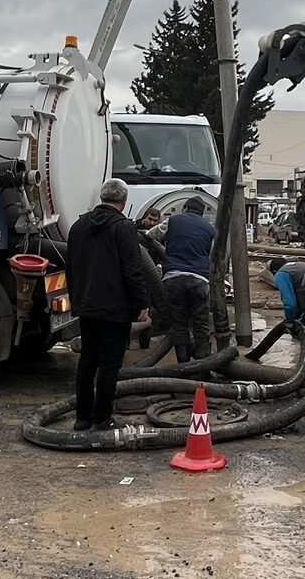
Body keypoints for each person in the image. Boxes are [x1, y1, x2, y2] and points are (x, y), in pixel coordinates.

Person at [64, 179, 157, 431]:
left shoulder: (78, 226)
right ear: (123, 201)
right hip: (115, 308)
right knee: (109, 364)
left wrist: (76, 300)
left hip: (87, 306)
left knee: (87, 361)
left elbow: (70, 267)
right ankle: (102, 418)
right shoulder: (123, 228)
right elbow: (132, 269)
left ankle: (82, 418)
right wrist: (142, 302)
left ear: (101, 198)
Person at [155, 200, 217, 361]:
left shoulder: (173, 221)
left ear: (184, 209)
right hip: (199, 281)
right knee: (201, 326)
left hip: (173, 279)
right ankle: (203, 366)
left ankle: (183, 367)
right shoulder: (210, 228)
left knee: (179, 326)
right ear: (202, 213)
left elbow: (151, 236)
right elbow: (212, 254)